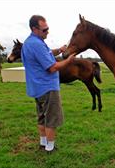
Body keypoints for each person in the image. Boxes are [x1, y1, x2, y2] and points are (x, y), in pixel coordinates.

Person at [21, 15, 75, 153]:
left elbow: (45, 54)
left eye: (48, 29)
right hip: (47, 87)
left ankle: (43, 143)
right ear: (34, 29)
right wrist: (68, 61)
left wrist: (59, 50)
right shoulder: (37, 44)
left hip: (36, 87)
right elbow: (52, 67)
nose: (47, 32)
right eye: (44, 30)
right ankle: (50, 148)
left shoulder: (29, 42)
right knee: (51, 118)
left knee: (41, 117)